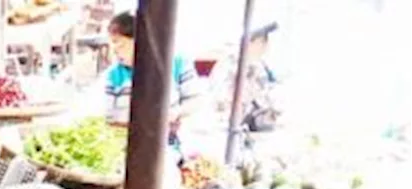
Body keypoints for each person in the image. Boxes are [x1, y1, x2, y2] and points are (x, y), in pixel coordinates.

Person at [104, 11, 203, 142]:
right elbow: (109, 117)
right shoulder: (115, 74)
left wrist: (175, 114)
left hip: (169, 142)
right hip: (127, 142)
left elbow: (195, 100)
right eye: (112, 43)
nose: (115, 50)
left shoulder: (176, 63)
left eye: (120, 43)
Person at [218, 22, 280, 134]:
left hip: (254, 127)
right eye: (262, 41)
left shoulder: (260, 65)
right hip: (237, 129)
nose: (266, 46)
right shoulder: (237, 64)